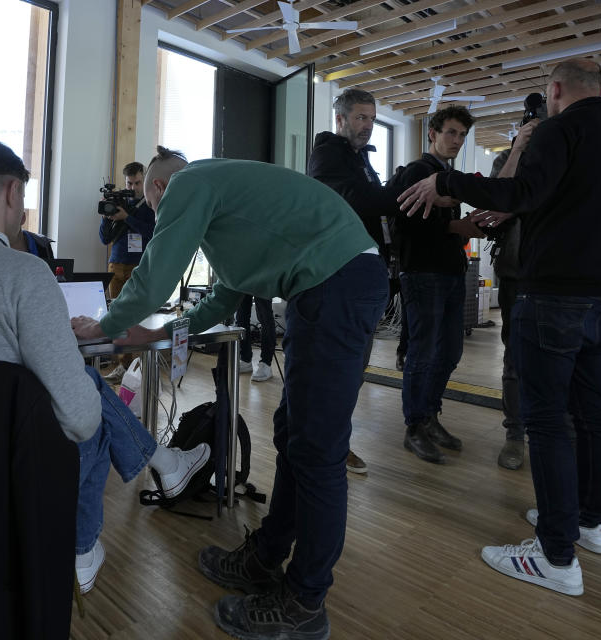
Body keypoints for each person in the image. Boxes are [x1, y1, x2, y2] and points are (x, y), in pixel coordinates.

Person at [0, 137, 209, 595]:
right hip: (3, 459)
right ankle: (82, 548)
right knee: (87, 406)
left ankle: (161, 467)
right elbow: (82, 420)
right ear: (13, 195)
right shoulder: (26, 274)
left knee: (79, 387)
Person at [73, 146, 387, 640]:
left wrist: (103, 327)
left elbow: (156, 273)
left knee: (318, 452)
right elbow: (222, 297)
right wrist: (163, 331)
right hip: (330, 285)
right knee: (294, 437)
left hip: (337, 283)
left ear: (157, 188)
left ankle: (306, 602)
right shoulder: (227, 203)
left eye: (157, 212)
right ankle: (266, 557)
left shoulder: (188, 184)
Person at [399, 59, 601, 596]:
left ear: (555, 90)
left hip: (555, 295)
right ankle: (588, 523)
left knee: (549, 421)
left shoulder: (561, 129)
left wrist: (446, 181)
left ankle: (556, 555)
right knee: (595, 415)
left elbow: (519, 192)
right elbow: (559, 203)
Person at [307, 86, 405, 474]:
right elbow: (356, 199)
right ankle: (327, 445)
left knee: (353, 366)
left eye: (371, 118)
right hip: (339, 273)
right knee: (341, 365)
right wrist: (401, 193)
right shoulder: (329, 155)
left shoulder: (359, 159)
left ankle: (331, 441)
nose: (367, 126)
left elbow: (371, 204)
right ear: (341, 119)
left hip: (363, 271)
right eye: (360, 117)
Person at [389, 105, 481, 464]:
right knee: (424, 353)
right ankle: (414, 426)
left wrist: (463, 226)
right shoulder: (418, 170)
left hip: (448, 271)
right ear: (433, 133)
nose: (456, 140)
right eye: (451, 133)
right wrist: (455, 227)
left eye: (462, 135)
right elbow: (405, 221)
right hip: (424, 273)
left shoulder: (446, 173)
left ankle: (428, 417)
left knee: (449, 353)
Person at [489, 119, 540, 470]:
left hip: (558, 270)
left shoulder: (563, 156)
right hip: (515, 269)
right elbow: (495, 196)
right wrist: (519, 148)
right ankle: (515, 434)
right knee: (515, 355)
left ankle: (551, 429)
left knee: (560, 354)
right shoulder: (508, 157)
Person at [99, 162, 156, 384]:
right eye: (129, 183)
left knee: (138, 316)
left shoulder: (149, 205)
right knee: (118, 315)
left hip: (138, 265)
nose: (133, 187)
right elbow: (105, 239)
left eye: (137, 182)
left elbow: (152, 232)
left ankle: (139, 366)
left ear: (145, 180)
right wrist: (107, 216)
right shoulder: (118, 203)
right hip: (116, 264)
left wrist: (127, 218)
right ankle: (122, 365)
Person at [236, 295, 276, 382]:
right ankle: (245, 359)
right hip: (243, 281)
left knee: (265, 317)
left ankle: (266, 363)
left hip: (262, 281)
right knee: (241, 318)